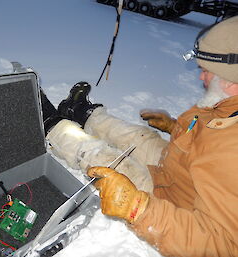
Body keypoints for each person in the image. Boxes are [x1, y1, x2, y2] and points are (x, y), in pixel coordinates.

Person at [43, 15, 238, 257]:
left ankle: (53, 125)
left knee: (106, 159)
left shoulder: (233, 154)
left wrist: (139, 208)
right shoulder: (229, 102)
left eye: (207, 71)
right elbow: (213, 138)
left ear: (230, 78)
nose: (201, 77)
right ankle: (82, 113)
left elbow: (223, 245)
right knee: (137, 135)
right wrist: (175, 128)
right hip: (179, 166)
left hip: (170, 200)